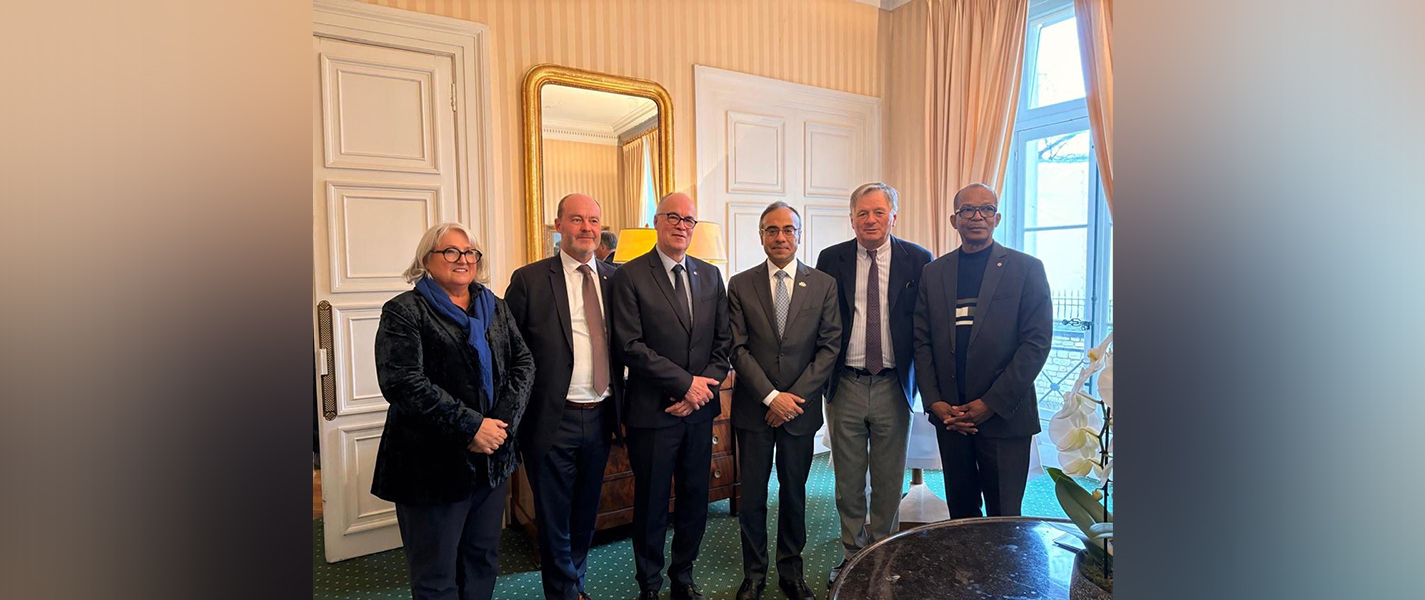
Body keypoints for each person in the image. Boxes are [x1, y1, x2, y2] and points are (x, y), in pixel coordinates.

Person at [371, 222, 535, 600]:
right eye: (450, 251)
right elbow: (403, 383)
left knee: (481, 561)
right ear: (426, 260)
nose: (462, 260)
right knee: (436, 574)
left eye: (469, 253)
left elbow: (523, 363)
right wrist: (472, 427)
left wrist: (499, 428)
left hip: (491, 461)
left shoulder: (495, 306)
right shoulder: (404, 311)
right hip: (430, 466)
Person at [609, 192, 732, 600]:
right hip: (653, 412)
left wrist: (700, 391)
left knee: (697, 496)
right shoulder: (629, 275)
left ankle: (684, 576)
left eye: (689, 220)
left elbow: (723, 343)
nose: (682, 226)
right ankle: (649, 583)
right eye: (673, 217)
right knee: (652, 502)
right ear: (656, 222)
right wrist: (684, 384)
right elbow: (629, 344)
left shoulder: (710, 276)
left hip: (699, 412)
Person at [813, 182, 933, 586]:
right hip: (844, 383)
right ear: (851, 219)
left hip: (892, 385)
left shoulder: (918, 260)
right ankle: (851, 556)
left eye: (878, 212)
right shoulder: (831, 259)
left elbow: (924, 325)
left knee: (887, 480)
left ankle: (881, 555)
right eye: (862, 213)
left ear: (893, 216)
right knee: (848, 483)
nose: (870, 220)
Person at [507, 194, 625, 600]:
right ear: (558, 225)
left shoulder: (616, 279)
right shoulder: (529, 279)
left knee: (586, 512)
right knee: (554, 515)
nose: (587, 228)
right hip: (551, 417)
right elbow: (511, 351)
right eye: (577, 219)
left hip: (602, 413)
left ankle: (575, 584)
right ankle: (564, 592)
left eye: (593, 220)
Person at [913, 183, 1052, 518]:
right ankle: (965, 573)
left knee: (1004, 516)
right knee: (961, 513)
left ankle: (1001, 573)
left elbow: (1035, 344)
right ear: (953, 219)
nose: (977, 217)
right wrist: (935, 402)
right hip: (952, 418)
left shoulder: (1026, 269)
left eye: (986, 209)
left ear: (997, 217)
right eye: (967, 210)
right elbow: (921, 340)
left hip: (1005, 417)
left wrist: (990, 404)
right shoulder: (934, 273)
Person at [727, 202, 841, 600]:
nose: (780, 237)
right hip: (754, 409)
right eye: (771, 230)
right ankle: (754, 574)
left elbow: (829, 349)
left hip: (800, 411)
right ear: (761, 236)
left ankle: (791, 573)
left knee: (795, 493)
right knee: (753, 497)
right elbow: (737, 349)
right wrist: (771, 397)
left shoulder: (824, 284)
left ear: (799, 235)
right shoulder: (740, 285)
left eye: (788, 230)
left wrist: (792, 399)